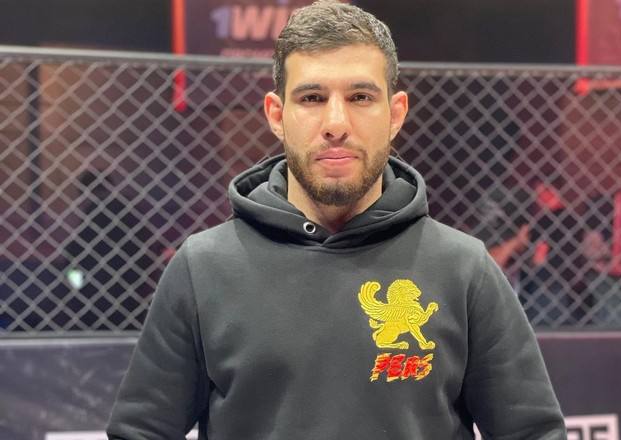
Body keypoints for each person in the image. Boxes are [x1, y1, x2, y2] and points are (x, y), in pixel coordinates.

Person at [107, 1, 565, 438]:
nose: (336, 123)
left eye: (360, 96)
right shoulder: (203, 268)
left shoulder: (464, 270)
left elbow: (533, 432)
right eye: (312, 97)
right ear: (277, 115)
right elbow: (142, 431)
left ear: (396, 114)